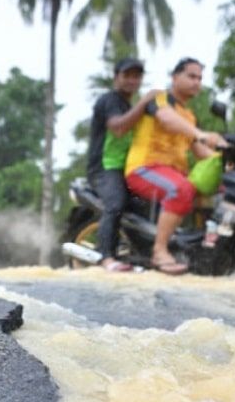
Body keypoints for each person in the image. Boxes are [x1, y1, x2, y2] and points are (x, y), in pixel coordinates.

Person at [124, 57, 226, 275]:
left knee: (224, 189)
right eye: (191, 76)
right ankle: (159, 251)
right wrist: (201, 134)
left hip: (173, 173)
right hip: (145, 169)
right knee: (180, 189)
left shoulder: (189, 116)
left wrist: (227, 161)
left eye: (200, 78)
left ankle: (203, 250)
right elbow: (168, 119)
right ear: (175, 77)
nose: (196, 82)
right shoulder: (159, 99)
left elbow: (201, 152)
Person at [86, 57, 160, 272]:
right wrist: (144, 102)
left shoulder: (129, 105)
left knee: (148, 204)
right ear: (116, 77)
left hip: (129, 169)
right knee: (116, 203)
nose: (132, 80)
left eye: (136, 76)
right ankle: (106, 256)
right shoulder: (110, 100)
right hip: (105, 168)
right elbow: (118, 128)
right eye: (127, 75)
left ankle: (145, 256)